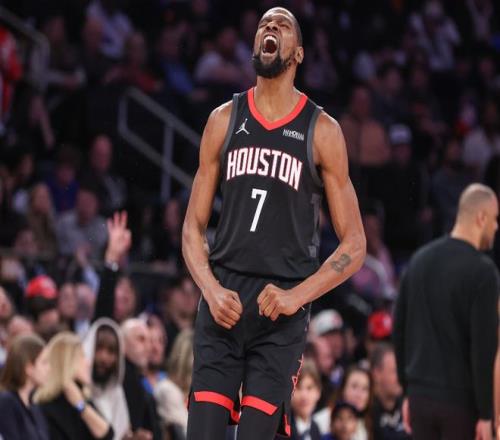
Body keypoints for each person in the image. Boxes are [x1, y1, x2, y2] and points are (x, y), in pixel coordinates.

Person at [182, 7, 365, 439]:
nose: (270, 28)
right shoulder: (223, 120)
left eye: (282, 25)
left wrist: (295, 297)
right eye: (265, 24)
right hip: (224, 299)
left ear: (298, 53)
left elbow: (355, 244)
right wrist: (209, 289)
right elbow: (192, 229)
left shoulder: (322, 130)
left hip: (280, 308)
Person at [393, 183, 499, 440]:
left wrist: (407, 392)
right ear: (481, 218)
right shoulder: (484, 271)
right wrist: (486, 414)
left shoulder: (419, 260)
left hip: (419, 399)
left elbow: (399, 329)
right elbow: (483, 348)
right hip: (460, 405)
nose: (496, 227)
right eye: (495, 219)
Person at [35, 332, 114, 439]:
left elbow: (107, 434)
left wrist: (80, 405)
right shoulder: (46, 405)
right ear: (66, 362)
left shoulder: (80, 397)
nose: (88, 363)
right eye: (82, 356)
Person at [0, 333, 50, 439]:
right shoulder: (6, 402)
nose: (49, 368)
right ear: (28, 368)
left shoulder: (34, 404)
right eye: (44, 362)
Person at [370, 343, 409, 440]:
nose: (401, 377)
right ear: (377, 373)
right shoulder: (367, 412)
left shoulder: (407, 406)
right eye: (395, 371)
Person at [290, 359, 322, 440]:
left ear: (318, 392)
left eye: (309, 388)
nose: (304, 396)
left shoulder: (315, 429)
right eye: (298, 387)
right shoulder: (280, 431)